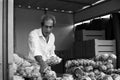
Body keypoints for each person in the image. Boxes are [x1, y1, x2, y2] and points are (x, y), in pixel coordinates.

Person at [28, 14, 62, 79]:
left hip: (46, 67)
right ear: (42, 25)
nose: (48, 30)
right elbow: (36, 50)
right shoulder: (34, 34)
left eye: (50, 27)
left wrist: (54, 59)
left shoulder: (52, 36)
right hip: (34, 66)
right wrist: (42, 63)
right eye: (46, 27)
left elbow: (51, 52)